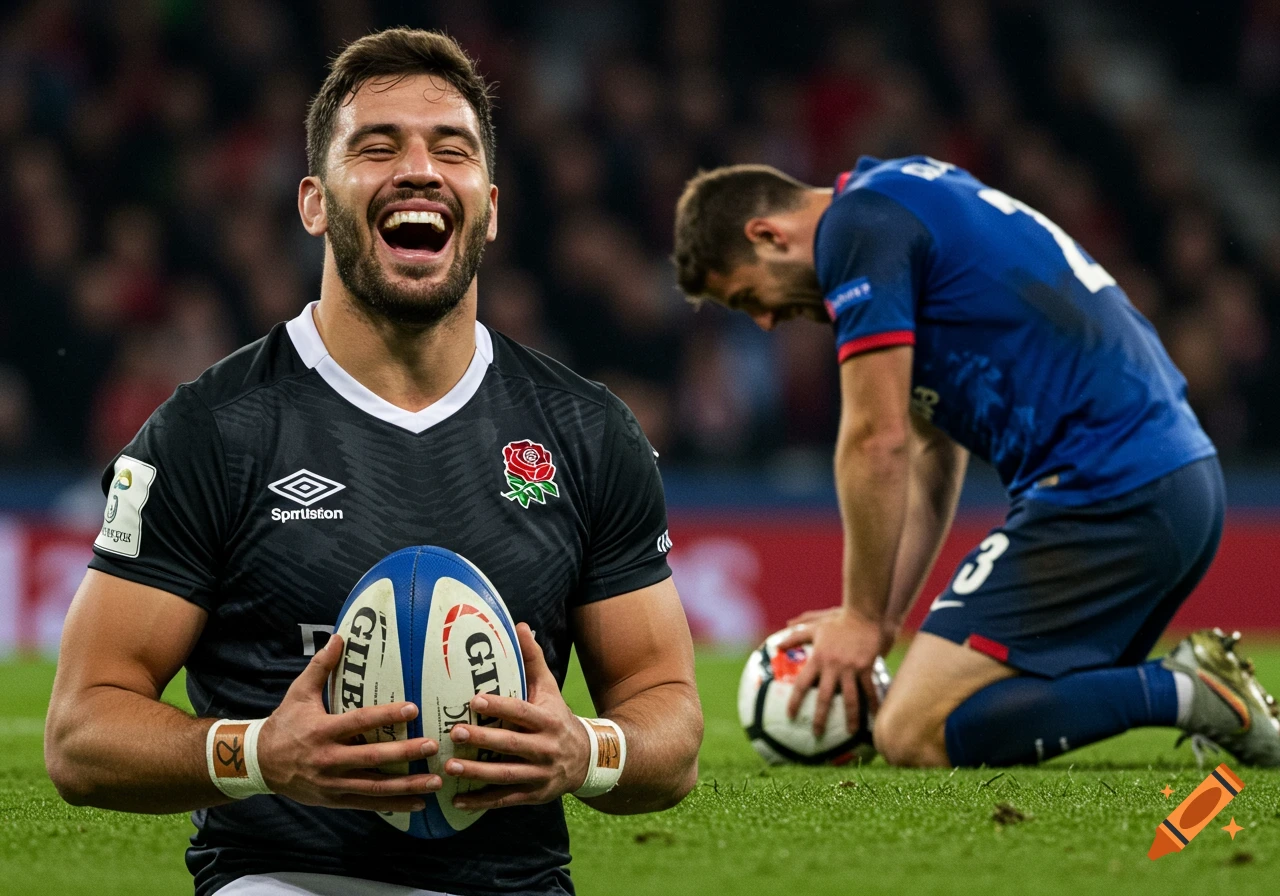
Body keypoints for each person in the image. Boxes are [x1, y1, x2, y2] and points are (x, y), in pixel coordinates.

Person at [45, 28, 702, 896]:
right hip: (284, 880)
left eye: (451, 149)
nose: (420, 170)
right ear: (315, 203)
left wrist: (588, 750)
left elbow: (670, 721)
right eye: (378, 146)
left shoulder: (586, 432)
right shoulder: (211, 432)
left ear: (490, 207)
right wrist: (256, 755)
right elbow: (81, 731)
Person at [671, 155, 1280, 768]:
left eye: (748, 297)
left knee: (909, 732)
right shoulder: (900, 197)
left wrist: (857, 617)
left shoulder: (856, 230)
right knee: (963, 715)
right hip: (1172, 483)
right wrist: (880, 622)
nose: (766, 322)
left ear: (768, 236)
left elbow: (876, 440)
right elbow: (931, 457)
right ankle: (1185, 690)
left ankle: (1189, 692)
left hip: (1108, 492)